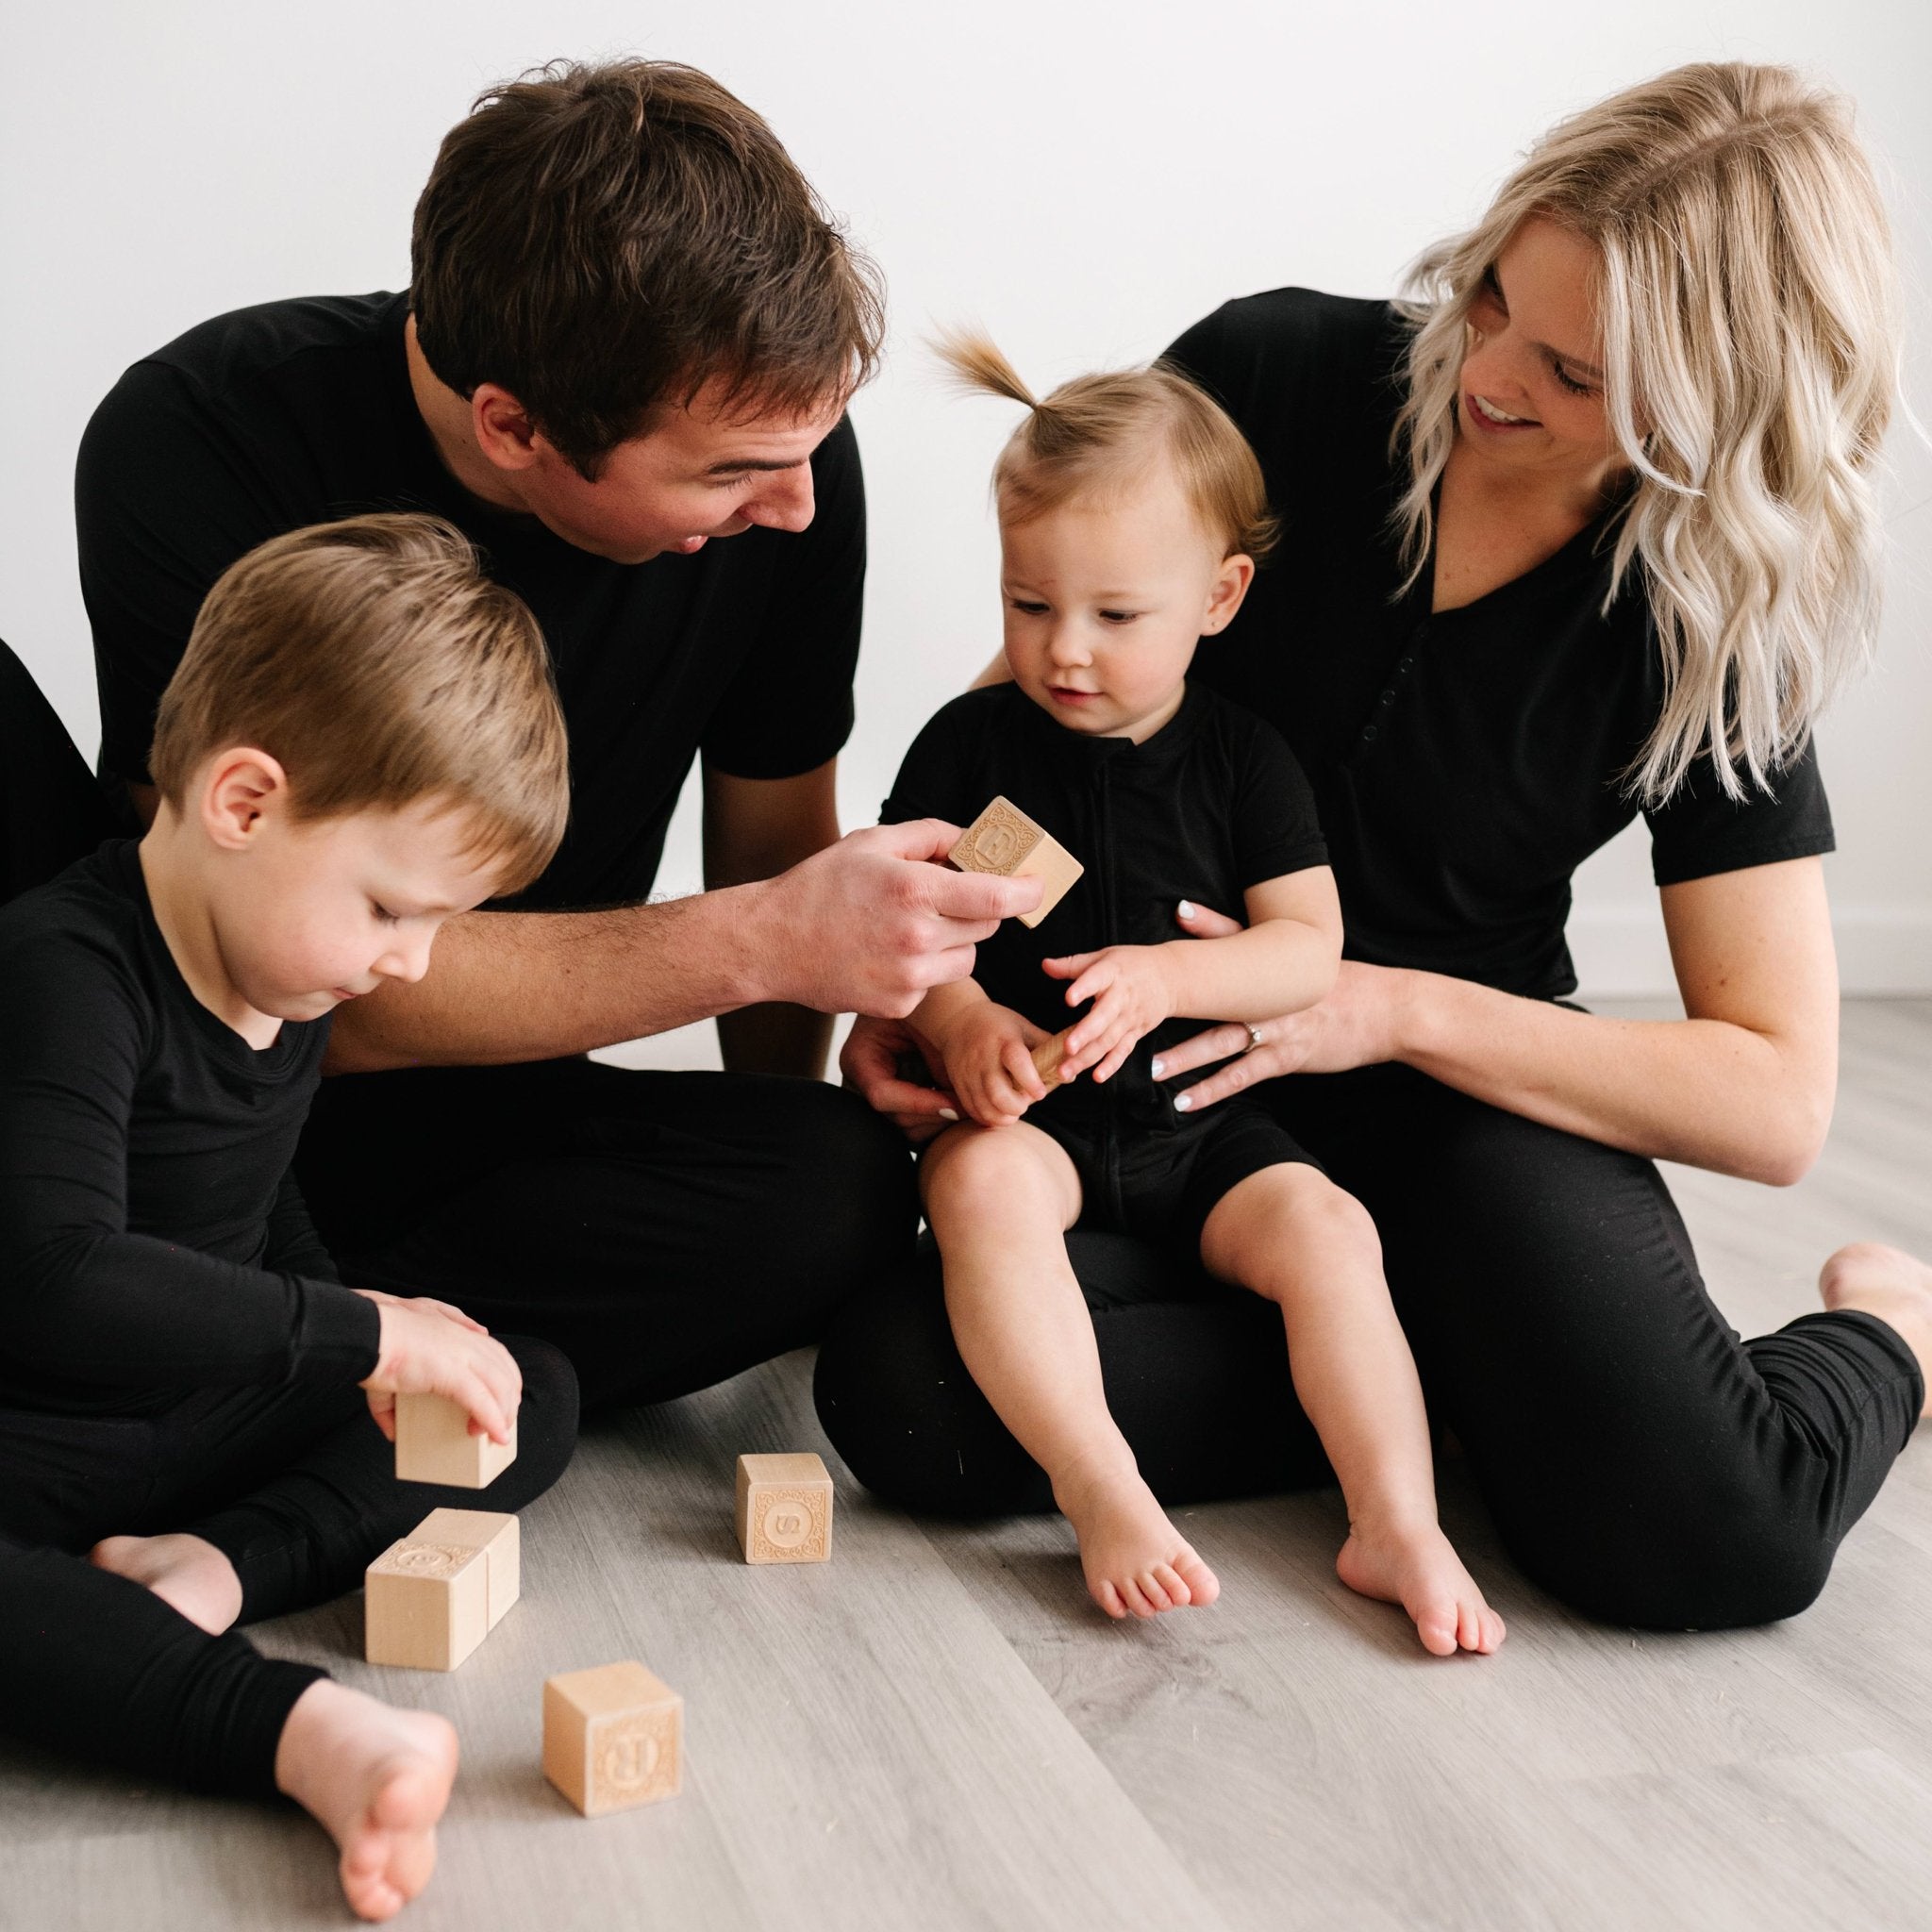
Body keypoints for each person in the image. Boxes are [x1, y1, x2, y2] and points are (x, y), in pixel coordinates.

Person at [824, 61, 1929, 1631]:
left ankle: (1892, 1330)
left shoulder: (1705, 612)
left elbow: (1774, 1100)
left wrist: (1385, 1009)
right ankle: (1435, 1371)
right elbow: (1041, 724)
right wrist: (934, 984)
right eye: (1492, 299)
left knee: (1716, 1540)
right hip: (1162, 1094)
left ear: (1709, 406)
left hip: (1460, 1095)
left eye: (1572, 371)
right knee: (907, 1392)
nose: (1489, 374)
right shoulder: (1272, 376)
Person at [75, 58, 1037, 1410]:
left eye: (805, 453)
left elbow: (774, 844)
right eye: (733, 474)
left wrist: (835, 1014)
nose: (796, 507)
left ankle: (280, 1353)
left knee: (838, 1184)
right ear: (515, 427)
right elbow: (238, 975)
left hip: (506, 1106)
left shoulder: (782, 461)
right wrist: (766, 940)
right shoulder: (202, 438)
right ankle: (232, 1336)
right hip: (193, 1111)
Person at [0, 515, 579, 1923]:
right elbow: (56, 1274)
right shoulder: (65, 967)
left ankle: (208, 1568)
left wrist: (383, 1343)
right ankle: (295, 1732)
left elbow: (265, 1210)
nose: (411, 965)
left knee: (526, 1391)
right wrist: (357, 1333)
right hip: (34, 1435)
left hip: (199, 1418)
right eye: (390, 909)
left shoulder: (288, 972)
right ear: (244, 804)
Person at [885, 338, 1504, 1653]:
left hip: (1201, 1118)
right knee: (974, 1188)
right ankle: (1097, 1480)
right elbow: (911, 940)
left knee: (1330, 1231)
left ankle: (1395, 1517)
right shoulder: (970, 749)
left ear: (1220, 598)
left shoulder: (1242, 760)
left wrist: (1172, 974)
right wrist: (961, 1022)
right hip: (1041, 1119)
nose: (1064, 650)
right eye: (1028, 604)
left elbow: (1306, 950)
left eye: (1116, 617)